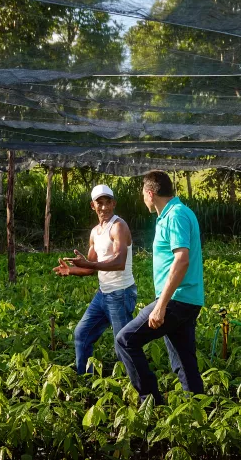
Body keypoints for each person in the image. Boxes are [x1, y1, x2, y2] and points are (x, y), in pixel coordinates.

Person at [114, 171, 204, 405]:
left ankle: (151, 401)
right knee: (184, 362)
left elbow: (181, 259)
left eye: (143, 193)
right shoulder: (172, 214)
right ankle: (197, 411)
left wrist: (160, 306)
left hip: (177, 300)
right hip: (185, 300)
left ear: (150, 194)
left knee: (125, 340)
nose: (142, 198)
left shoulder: (175, 215)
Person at [53, 184, 137, 375]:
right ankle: (86, 380)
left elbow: (119, 262)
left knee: (122, 346)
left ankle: (133, 386)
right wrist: (72, 270)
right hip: (103, 294)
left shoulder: (118, 226)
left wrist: (89, 265)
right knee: (82, 334)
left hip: (121, 293)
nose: (104, 207)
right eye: (100, 203)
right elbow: (89, 267)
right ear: (93, 206)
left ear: (114, 203)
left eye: (108, 202)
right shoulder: (94, 233)